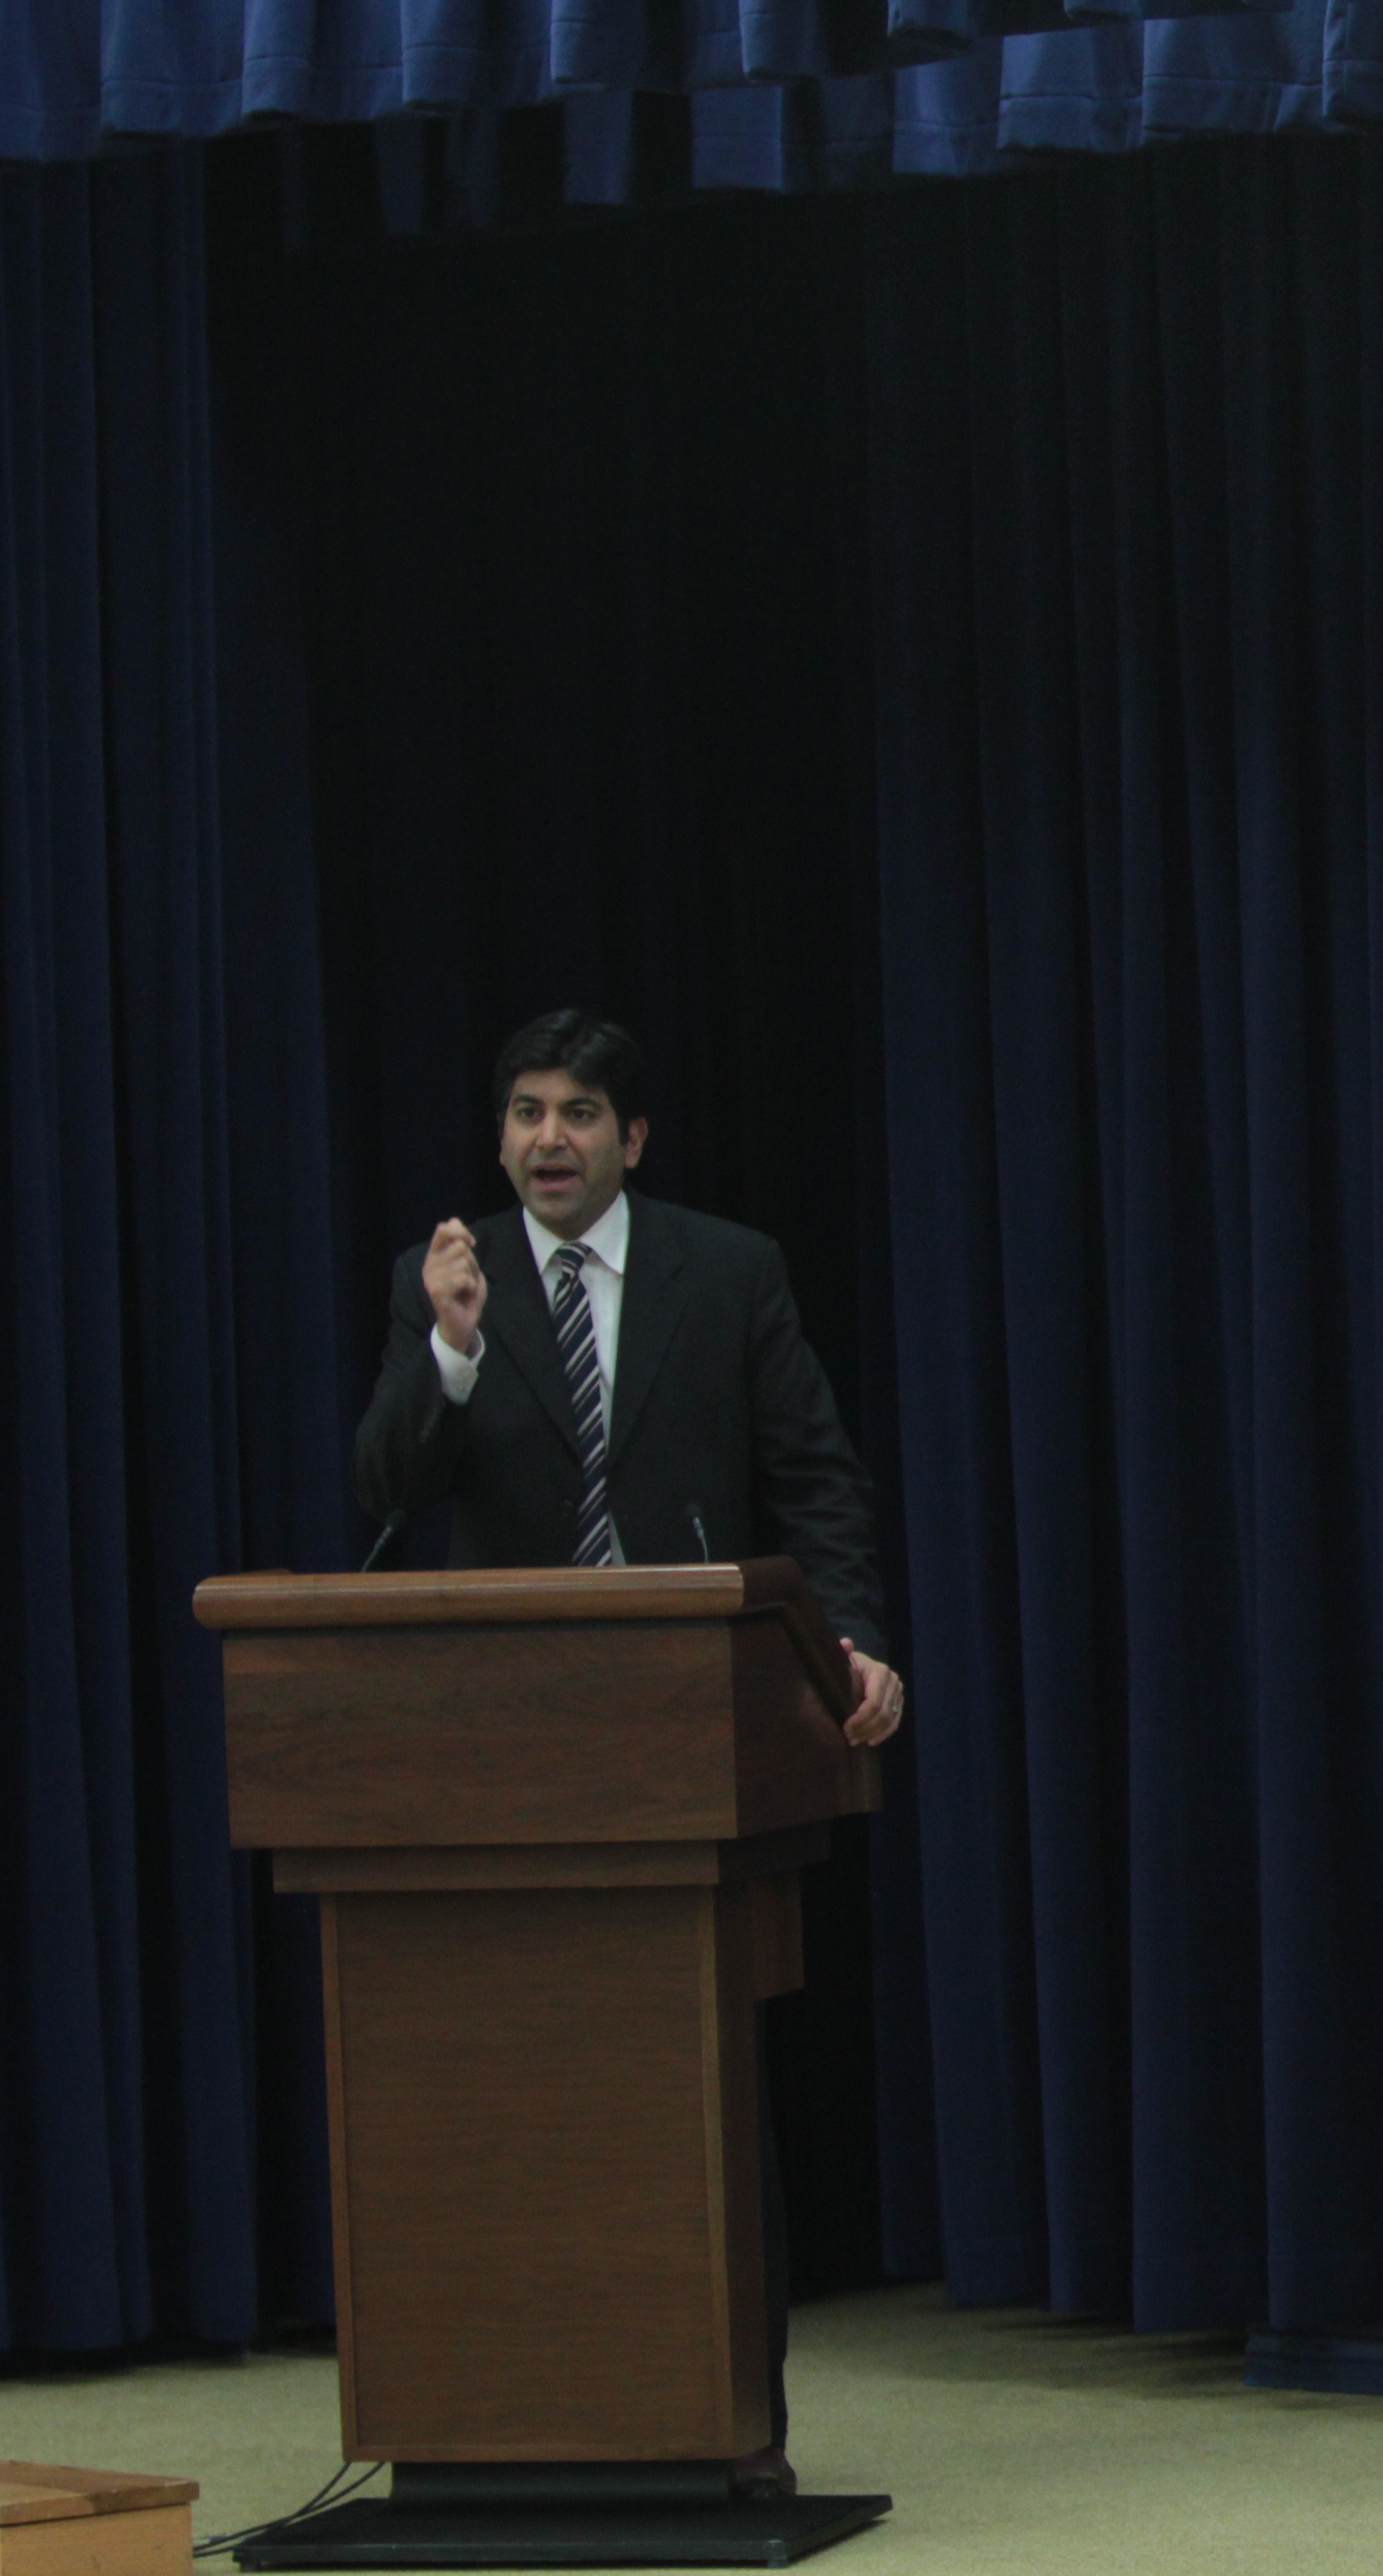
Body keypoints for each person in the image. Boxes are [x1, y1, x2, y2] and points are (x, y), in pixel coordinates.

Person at [353, 1009, 901, 2500]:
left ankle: (733, 2435)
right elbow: (387, 1486)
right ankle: (499, 2437)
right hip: (506, 1757)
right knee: (512, 2094)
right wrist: (450, 1346)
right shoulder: (448, 1283)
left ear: (631, 1139)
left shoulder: (728, 1273)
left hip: (695, 1743)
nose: (546, 1139)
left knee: (708, 2090)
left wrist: (848, 1640)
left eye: (578, 1114)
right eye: (525, 1112)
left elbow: (815, 1480)